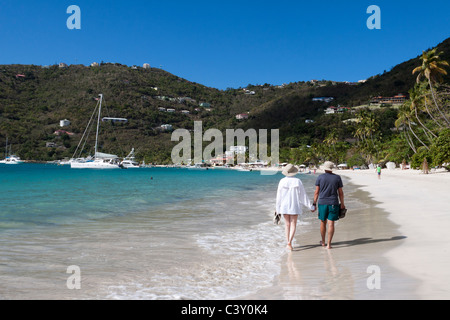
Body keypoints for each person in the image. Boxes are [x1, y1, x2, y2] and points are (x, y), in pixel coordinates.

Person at [276, 164, 314, 251]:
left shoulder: (282, 181)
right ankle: (290, 242)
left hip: (284, 205)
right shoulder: (297, 181)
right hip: (295, 205)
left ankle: (288, 243)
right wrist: (310, 206)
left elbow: (279, 196)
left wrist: (277, 209)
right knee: (293, 224)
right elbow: (303, 196)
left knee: (287, 225)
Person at [312, 161, 345, 249]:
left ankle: (323, 242)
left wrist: (314, 203)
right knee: (331, 224)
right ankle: (329, 244)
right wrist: (342, 204)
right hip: (333, 203)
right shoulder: (337, 178)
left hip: (322, 203)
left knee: (323, 222)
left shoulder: (320, 177)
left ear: (325, 168)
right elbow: (340, 193)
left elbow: (316, 192)